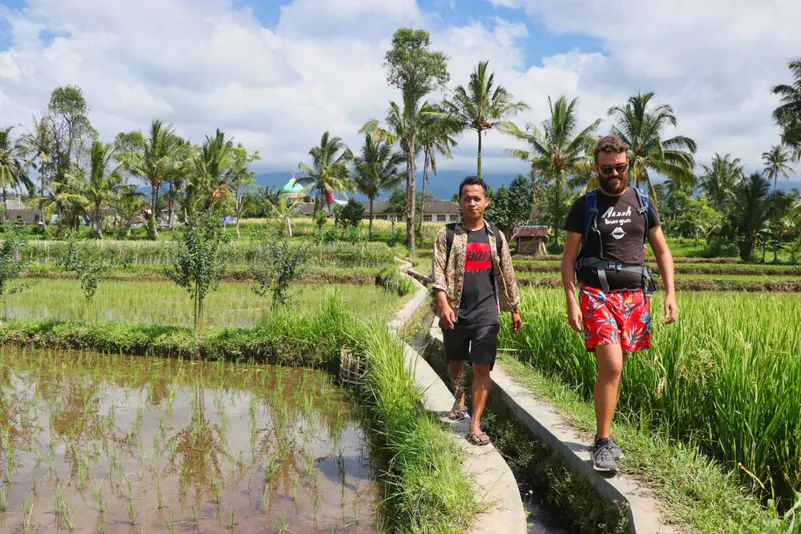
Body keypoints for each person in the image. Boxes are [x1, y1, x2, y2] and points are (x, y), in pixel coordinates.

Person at [561, 135, 678, 472]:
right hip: (596, 294)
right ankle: (601, 443)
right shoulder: (584, 206)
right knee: (611, 365)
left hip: (635, 298)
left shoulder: (643, 202)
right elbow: (568, 259)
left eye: (620, 167)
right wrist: (571, 300)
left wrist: (670, 293)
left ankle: (606, 436)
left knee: (618, 367)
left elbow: (662, 251)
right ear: (596, 168)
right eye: (606, 168)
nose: (613, 173)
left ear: (629, 165)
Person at [432, 175, 522, 446]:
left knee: (482, 366)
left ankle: (475, 423)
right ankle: (459, 397)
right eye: (467, 198)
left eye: (477, 198)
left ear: (486, 202)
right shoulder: (447, 234)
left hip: (487, 312)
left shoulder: (496, 236)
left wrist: (514, 308)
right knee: (455, 362)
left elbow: (507, 272)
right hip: (456, 311)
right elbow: (437, 271)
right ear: (459, 202)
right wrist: (444, 304)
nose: (472, 203)